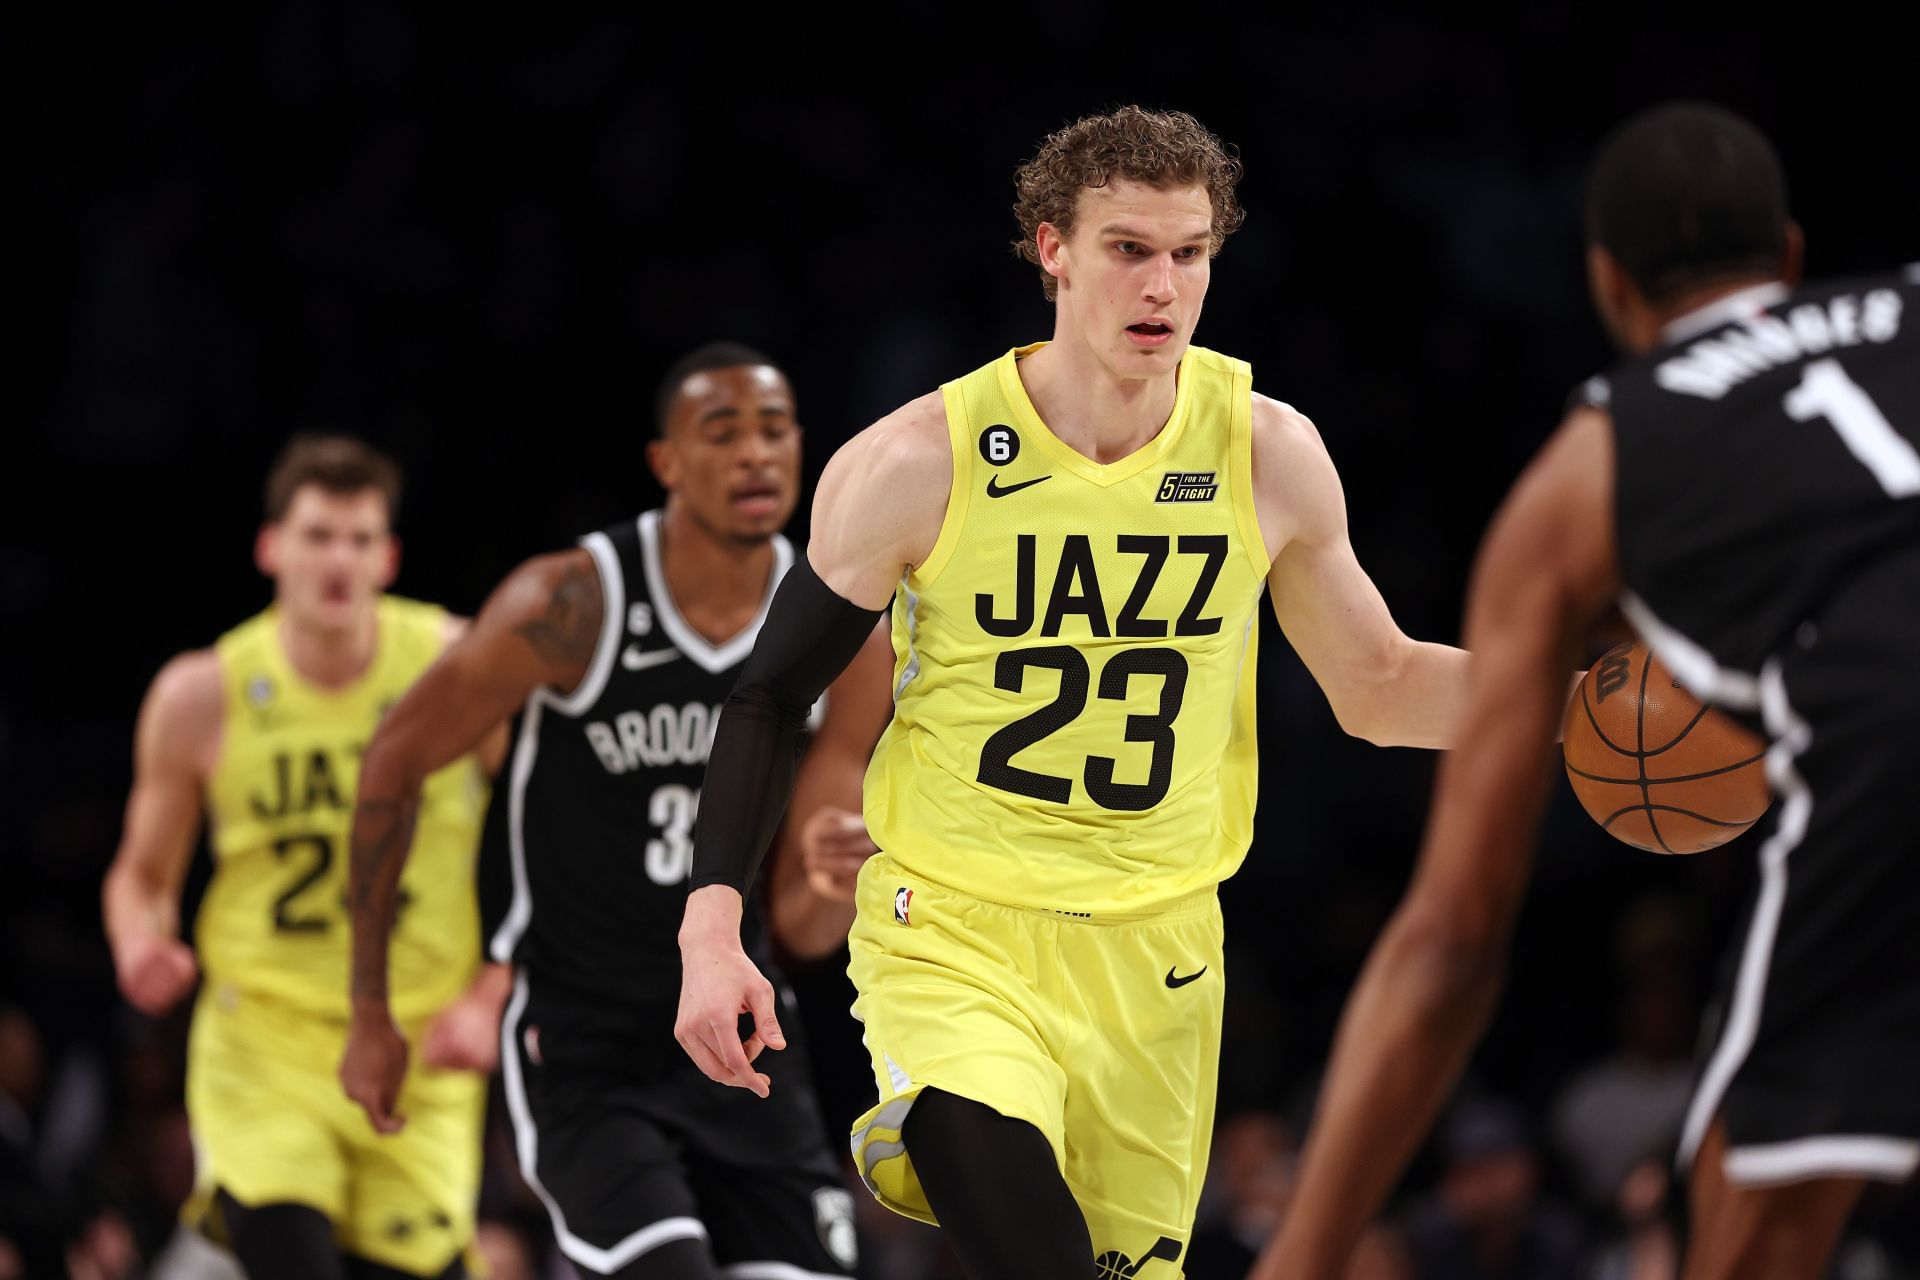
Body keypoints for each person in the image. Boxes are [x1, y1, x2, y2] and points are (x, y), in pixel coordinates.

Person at [674, 106, 1469, 1280]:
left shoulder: (1267, 452)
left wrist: (1581, 703)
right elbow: (766, 692)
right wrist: (710, 924)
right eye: (1128, 249)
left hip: (1161, 954)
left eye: (1190, 253)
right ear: (1053, 249)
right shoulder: (916, 462)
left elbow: (1381, 686)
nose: (1163, 285)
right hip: (954, 935)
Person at [1253, 102, 1920, 1280]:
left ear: (1608, 287)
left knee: (1749, 1199)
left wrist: (1301, 1254)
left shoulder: (1592, 463)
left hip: (1882, 751)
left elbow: (1451, 940)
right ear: (1795, 256)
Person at [339, 342, 892, 1280]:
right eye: (723, 433)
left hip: (741, 1035)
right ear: (667, 463)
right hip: (586, 1038)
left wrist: (837, 878)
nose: (756, 455)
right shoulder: (572, 603)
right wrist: (369, 1007)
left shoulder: (849, 631)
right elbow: (394, 761)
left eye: (774, 430)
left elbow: (799, 926)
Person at [102, 436, 506, 1280]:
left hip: (419, 1048)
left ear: (389, 556)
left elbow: (562, 849)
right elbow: (141, 876)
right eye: (319, 535)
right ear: (270, 547)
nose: (339, 560)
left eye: (360, 540)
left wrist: (496, 988)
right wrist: (141, 941)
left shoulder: (457, 665)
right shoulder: (201, 693)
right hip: (266, 1042)